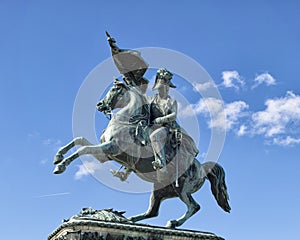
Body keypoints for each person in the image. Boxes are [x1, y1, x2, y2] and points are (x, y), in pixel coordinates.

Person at [149, 68, 180, 170]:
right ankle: (126, 171)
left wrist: (161, 119)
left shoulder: (172, 101)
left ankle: (160, 161)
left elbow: (174, 115)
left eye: (167, 86)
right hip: (151, 126)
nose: (165, 89)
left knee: (155, 136)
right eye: (162, 87)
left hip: (167, 128)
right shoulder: (152, 100)